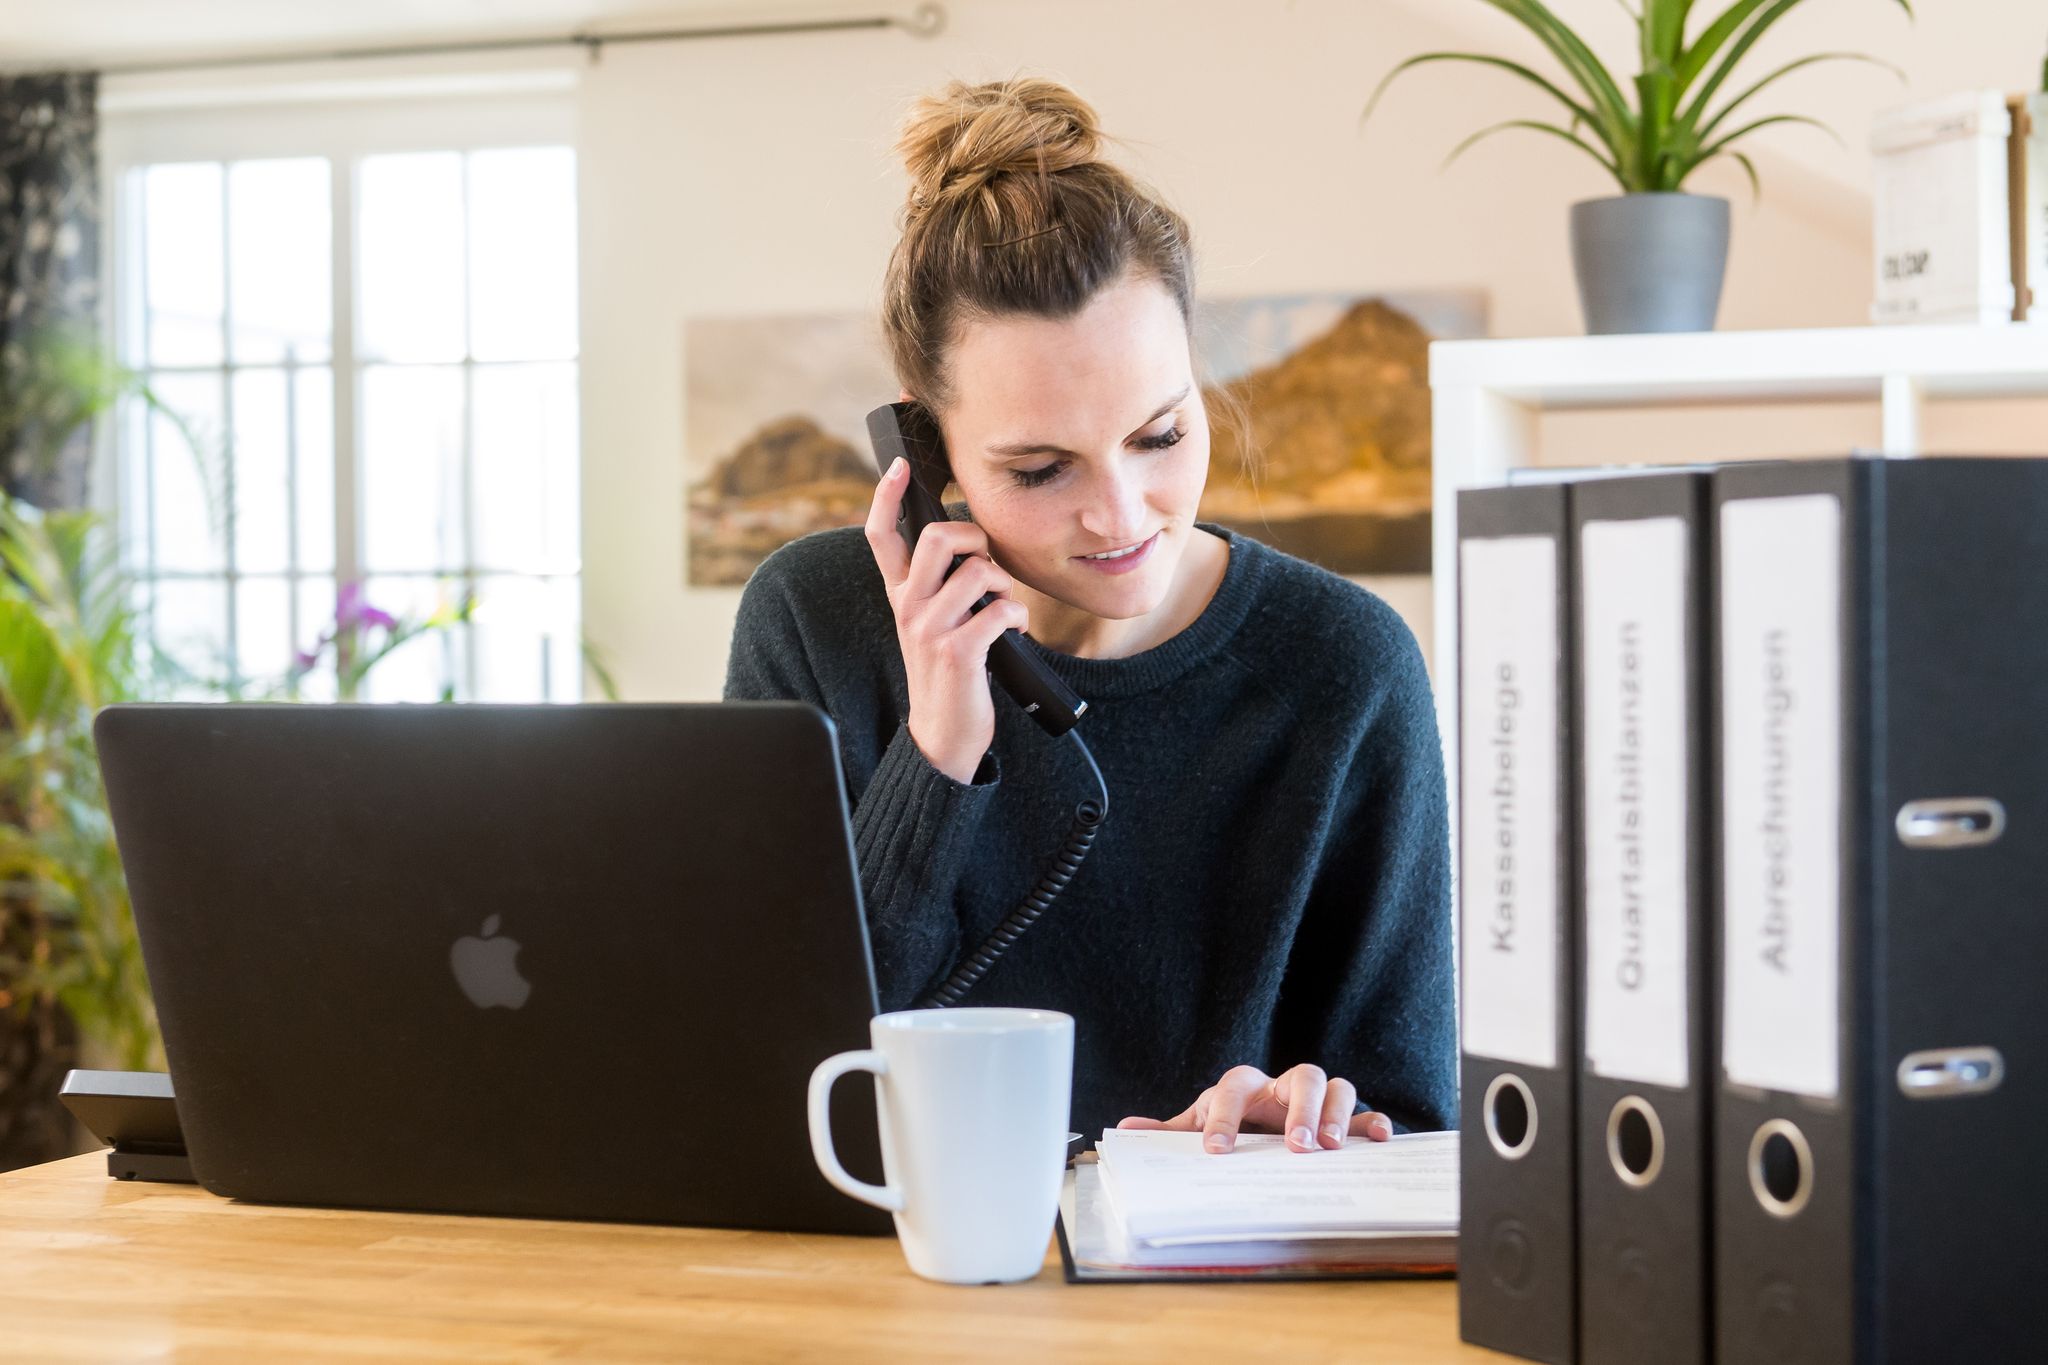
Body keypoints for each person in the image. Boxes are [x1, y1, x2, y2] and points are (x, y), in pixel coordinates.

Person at [725, 75, 1454, 1153]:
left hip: (1206, 1287)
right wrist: (937, 752)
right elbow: (776, 1071)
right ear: (929, 457)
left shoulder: (1341, 665)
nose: (1121, 515)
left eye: (1159, 436)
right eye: (1037, 467)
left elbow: (1414, 1120)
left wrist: (1301, 1117)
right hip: (882, 1269)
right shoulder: (812, 620)